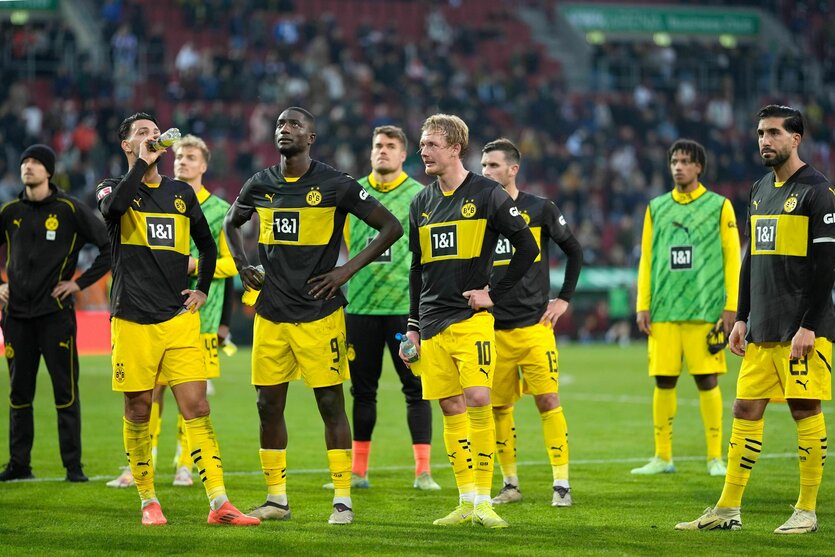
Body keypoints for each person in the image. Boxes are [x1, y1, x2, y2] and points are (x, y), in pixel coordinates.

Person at [223, 107, 402, 525]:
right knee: (267, 404)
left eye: (295, 125)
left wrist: (345, 270)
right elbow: (232, 223)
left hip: (320, 314)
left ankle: (342, 499)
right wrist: (240, 262)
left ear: (312, 137)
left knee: (329, 403)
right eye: (281, 124)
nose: (286, 129)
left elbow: (390, 227)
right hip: (270, 314)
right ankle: (276, 500)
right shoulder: (261, 183)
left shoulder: (336, 184)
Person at [676, 105, 835, 534]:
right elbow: (751, 261)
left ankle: (806, 510)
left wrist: (810, 325)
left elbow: (827, 267)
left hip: (803, 328)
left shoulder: (818, 192)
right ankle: (728, 509)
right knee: (745, 408)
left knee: (805, 409)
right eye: (760, 133)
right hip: (762, 326)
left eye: (774, 133)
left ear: (796, 138)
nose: (764, 140)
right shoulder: (761, 188)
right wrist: (742, 317)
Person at [97, 112, 258, 526]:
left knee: (197, 406)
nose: (152, 138)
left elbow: (207, 246)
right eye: (141, 134)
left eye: (155, 132)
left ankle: (219, 503)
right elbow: (113, 210)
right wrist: (141, 163)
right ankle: (148, 499)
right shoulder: (111, 187)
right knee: (138, 408)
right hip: (132, 320)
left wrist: (203, 287)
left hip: (179, 320)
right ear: (126, 145)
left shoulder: (180, 194)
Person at [401, 115, 538, 528]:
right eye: (421, 144)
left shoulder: (487, 193)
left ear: (455, 148)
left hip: (471, 319)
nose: (423, 151)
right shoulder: (420, 203)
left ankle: (484, 500)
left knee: (479, 398)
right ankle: (466, 500)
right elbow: (416, 269)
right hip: (431, 323)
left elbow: (527, 247)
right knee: (449, 406)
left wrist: (493, 293)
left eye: (431, 145)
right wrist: (412, 325)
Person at [330, 125, 439, 491]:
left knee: (417, 388)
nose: (382, 151)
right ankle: (358, 472)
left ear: (403, 154)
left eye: (390, 146)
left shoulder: (420, 195)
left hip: (405, 311)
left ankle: (423, 471)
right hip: (359, 308)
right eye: (378, 145)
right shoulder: (352, 192)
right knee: (362, 392)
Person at [480, 138, 583, 507]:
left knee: (548, 399)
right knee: (498, 407)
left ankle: (562, 484)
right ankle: (510, 484)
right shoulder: (477, 213)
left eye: (493, 165)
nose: (486, 172)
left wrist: (564, 298)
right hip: (492, 328)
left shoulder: (539, 209)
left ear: (513, 169)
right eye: (484, 165)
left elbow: (574, 250)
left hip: (534, 327)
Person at [0, 144, 110, 482]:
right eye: (24, 162)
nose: (28, 167)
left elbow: (108, 247)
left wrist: (78, 284)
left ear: (48, 171)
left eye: (35, 162)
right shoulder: (9, 212)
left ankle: (73, 467)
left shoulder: (69, 210)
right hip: (16, 316)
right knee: (19, 392)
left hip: (56, 315)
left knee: (66, 391)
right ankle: (19, 464)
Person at [631, 139, 740, 477]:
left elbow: (732, 258)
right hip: (663, 310)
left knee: (707, 381)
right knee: (663, 381)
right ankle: (662, 457)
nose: (678, 166)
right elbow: (647, 258)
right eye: (674, 161)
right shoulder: (656, 208)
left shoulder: (719, 206)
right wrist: (642, 304)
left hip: (705, 310)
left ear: (699, 167)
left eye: (685, 161)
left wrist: (731, 307)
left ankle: (714, 457)